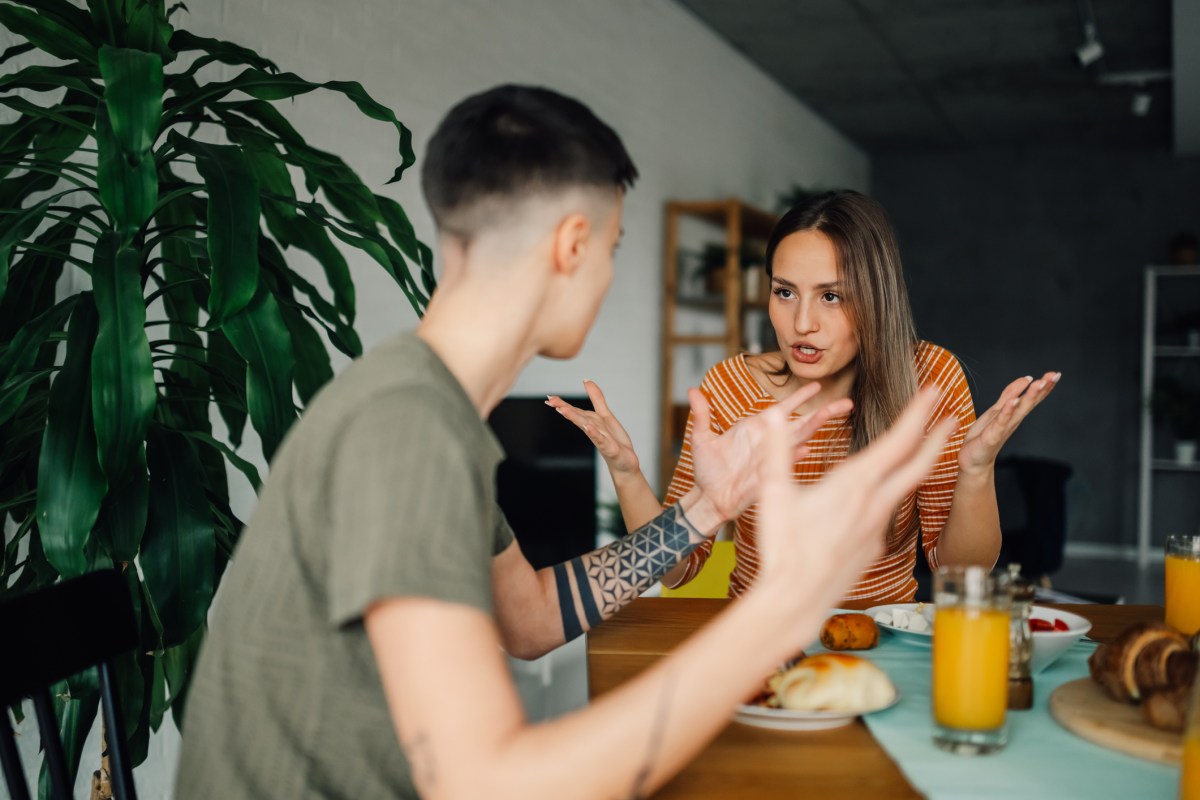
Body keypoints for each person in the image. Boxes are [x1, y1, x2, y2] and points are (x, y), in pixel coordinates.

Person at [175, 86, 953, 800]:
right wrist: (787, 603)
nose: (610, 272)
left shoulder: (421, 407)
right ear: (572, 245)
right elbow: (491, 783)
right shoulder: (404, 433)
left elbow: (528, 619)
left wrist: (703, 512)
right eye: (613, 248)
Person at [550, 189, 1059, 603]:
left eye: (831, 296)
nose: (801, 325)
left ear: (876, 299)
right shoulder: (731, 387)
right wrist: (626, 471)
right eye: (784, 291)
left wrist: (975, 471)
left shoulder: (930, 377)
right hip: (755, 647)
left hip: (884, 641)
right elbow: (679, 571)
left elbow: (957, 567)